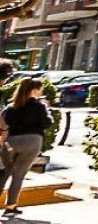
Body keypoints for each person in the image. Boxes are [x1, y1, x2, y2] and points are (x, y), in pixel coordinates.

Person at [1, 78, 54, 216]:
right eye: (40, 90)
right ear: (34, 90)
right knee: (18, 175)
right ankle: (10, 207)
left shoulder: (11, 107)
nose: (41, 92)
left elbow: (2, 123)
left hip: (10, 142)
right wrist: (48, 111)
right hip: (33, 141)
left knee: (3, 174)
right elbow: (47, 123)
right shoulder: (40, 106)